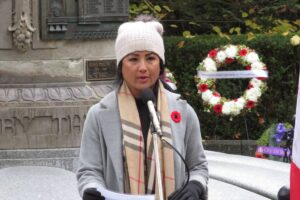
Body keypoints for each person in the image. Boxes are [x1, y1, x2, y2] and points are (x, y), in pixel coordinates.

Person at [76, 15, 209, 200]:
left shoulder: (183, 111)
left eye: (151, 58)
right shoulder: (99, 115)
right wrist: (92, 189)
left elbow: (198, 167)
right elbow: (88, 171)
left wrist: (195, 185)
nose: (143, 67)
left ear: (160, 64)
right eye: (133, 59)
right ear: (120, 65)